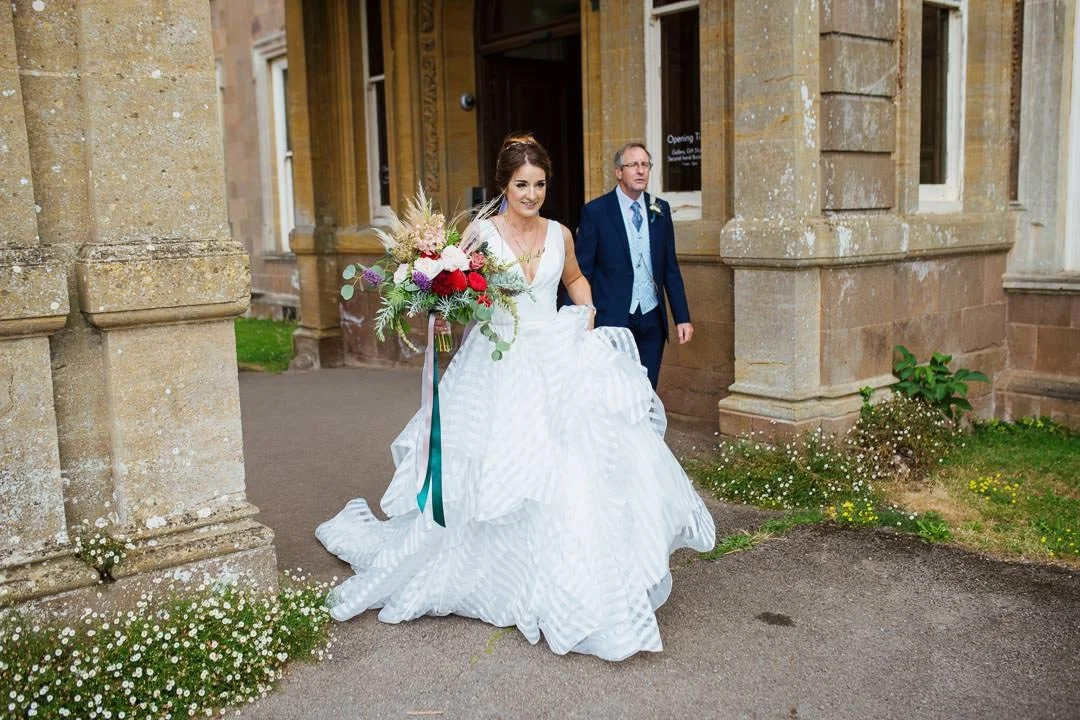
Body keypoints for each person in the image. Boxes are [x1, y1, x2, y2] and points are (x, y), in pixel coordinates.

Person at [316, 134, 715, 662]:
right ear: (504, 185)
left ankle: (570, 574)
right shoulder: (481, 233)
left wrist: (588, 310)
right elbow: (456, 287)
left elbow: (574, 279)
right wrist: (443, 305)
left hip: (555, 352)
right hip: (496, 359)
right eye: (522, 184)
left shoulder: (561, 233)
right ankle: (489, 572)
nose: (532, 194)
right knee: (494, 466)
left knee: (569, 464)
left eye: (540, 184)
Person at [575, 142, 693, 388]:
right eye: (633, 165)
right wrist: (578, 320)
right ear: (619, 172)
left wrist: (682, 317)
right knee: (616, 390)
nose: (641, 171)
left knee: (647, 388)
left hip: (652, 318)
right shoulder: (596, 212)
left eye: (645, 165)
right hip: (613, 318)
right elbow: (581, 272)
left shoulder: (660, 209)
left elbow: (670, 267)